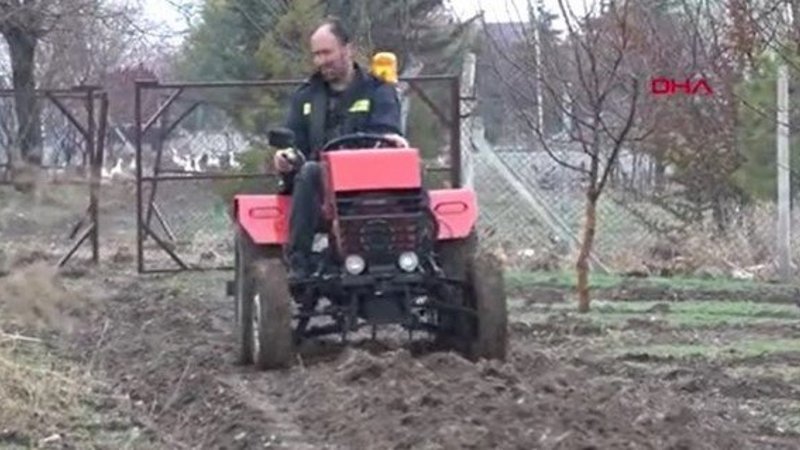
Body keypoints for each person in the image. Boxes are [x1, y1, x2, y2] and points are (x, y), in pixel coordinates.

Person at [274, 16, 407, 281]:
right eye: (316, 54)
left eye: (326, 52)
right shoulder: (306, 97)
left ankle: (421, 249)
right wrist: (285, 157)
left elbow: (388, 130)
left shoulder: (379, 91)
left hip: (373, 181)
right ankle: (299, 263)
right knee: (310, 170)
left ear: (347, 48)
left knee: (414, 167)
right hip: (323, 190)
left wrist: (391, 140)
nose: (320, 61)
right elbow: (294, 142)